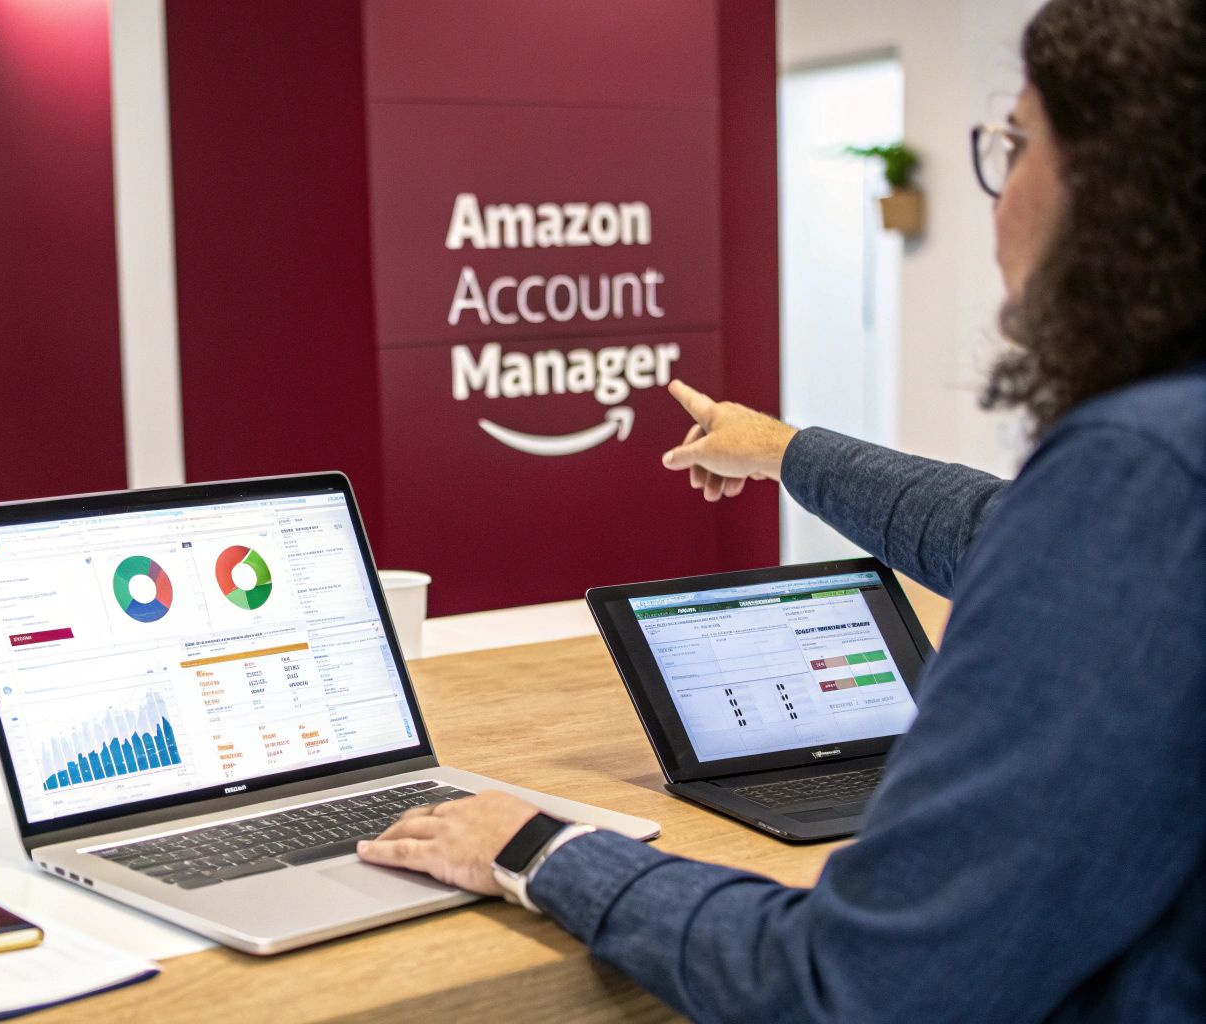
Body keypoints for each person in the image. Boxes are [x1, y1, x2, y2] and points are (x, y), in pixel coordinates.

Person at [357, 0, 1206, 1018]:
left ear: (1119, 192)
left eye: (1015, 144)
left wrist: (540, 849)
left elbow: (851, 985)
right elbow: (1005, 539)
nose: (997, 191)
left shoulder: (1139, 469)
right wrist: (787, 453)